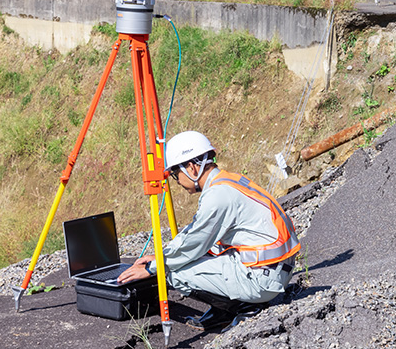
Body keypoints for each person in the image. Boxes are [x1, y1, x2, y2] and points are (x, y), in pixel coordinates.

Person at [118, 130, 299, 330]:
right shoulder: (228, 181)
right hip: (274, 268)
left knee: (172, 273)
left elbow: (194, 243)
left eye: (176, 175)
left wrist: (153, 268)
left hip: (263, 279)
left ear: (191, 167)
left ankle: (244, 307)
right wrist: (158, 257)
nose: (177, 182)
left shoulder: (218, 196)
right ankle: (224, 309)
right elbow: (196, 234)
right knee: (182, 260)